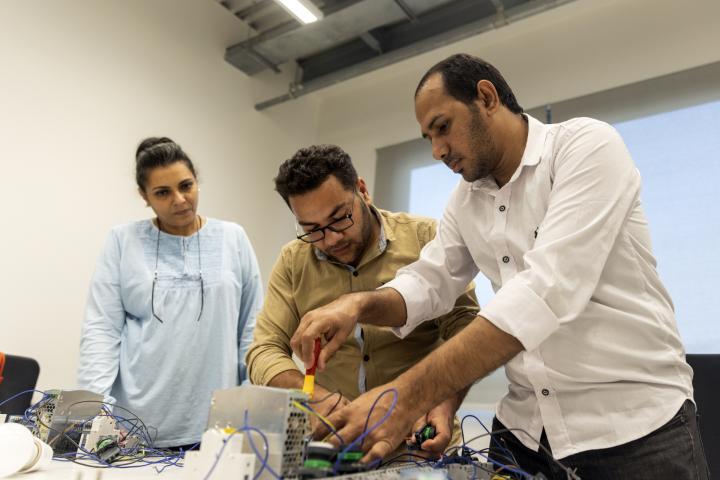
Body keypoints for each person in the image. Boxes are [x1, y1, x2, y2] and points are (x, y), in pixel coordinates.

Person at [290, 54, 709, 478]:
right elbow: (428, 282)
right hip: (525, 432)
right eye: (428, 138)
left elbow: (545, 291)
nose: (437, 151)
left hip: (632, 430)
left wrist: (407, 395)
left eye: (443, 127)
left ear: (486, 97)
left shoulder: (585, 147)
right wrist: (357, 306)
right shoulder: (465, 200)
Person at [246, 144, 479, 458]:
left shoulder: (426, 238)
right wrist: (315, 396)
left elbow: (467, 328)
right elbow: (264, 350)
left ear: (362, 191)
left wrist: (445, 398)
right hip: (336, 444)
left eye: (339, 218)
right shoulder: (292, 262)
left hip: (419, 444)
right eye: (312, 230)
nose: (331, 239)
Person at [78, 137, 263, 448]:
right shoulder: (123, 241)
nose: (179, 199)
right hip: (135, 426)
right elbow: (101, 330)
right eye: (163, 192)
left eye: (186, 186)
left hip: (218, 425)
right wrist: (97, 412)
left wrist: (250, 398)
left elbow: (253, 327)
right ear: (145, 196)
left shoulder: (233, 238)